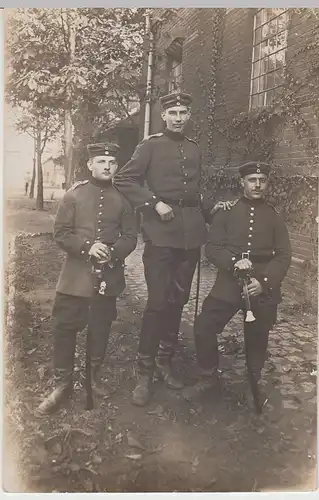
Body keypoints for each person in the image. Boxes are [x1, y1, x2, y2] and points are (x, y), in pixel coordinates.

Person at [114, 91, 233, 406]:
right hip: (161, 234)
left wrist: (211, 210)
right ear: (164, 116)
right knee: (156, 302)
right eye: (174, 113)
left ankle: (165, 362)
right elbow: (124, 179)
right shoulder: (150, 145)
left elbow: (194, 190)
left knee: (177, 300)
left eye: (183, 113)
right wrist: (154, 204)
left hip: (190, 235)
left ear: (188, 116)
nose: (179, 118)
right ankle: (144, 371)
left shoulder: (193, 149)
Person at [36, 142, 137, 415]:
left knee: (100, 327)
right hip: (75, 277)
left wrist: (113, 253)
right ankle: (62, 384)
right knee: (65, 328)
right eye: (101, 161)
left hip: (108, 276)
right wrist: (87, 247)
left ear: (116, 166)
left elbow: (130, 237)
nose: (106, 166)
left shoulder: (123, 200)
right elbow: (61, 233)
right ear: (90, 165)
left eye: (111, 162)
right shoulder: (74, 196)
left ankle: (94, 378)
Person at [182, 161, 292, 407]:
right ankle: (208, 376)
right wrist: (233, 263)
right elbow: (212, 248)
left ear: (267, 183)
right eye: (252, 180)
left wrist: (264, 283)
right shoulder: (227, 212)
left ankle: (254, 384)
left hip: (260, 284)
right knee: (204, 325)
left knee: (257, 335)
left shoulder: (274, 217)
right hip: (230, 282)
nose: (257, 185)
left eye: (262, 180)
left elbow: (284, 255)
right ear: (242, 182)